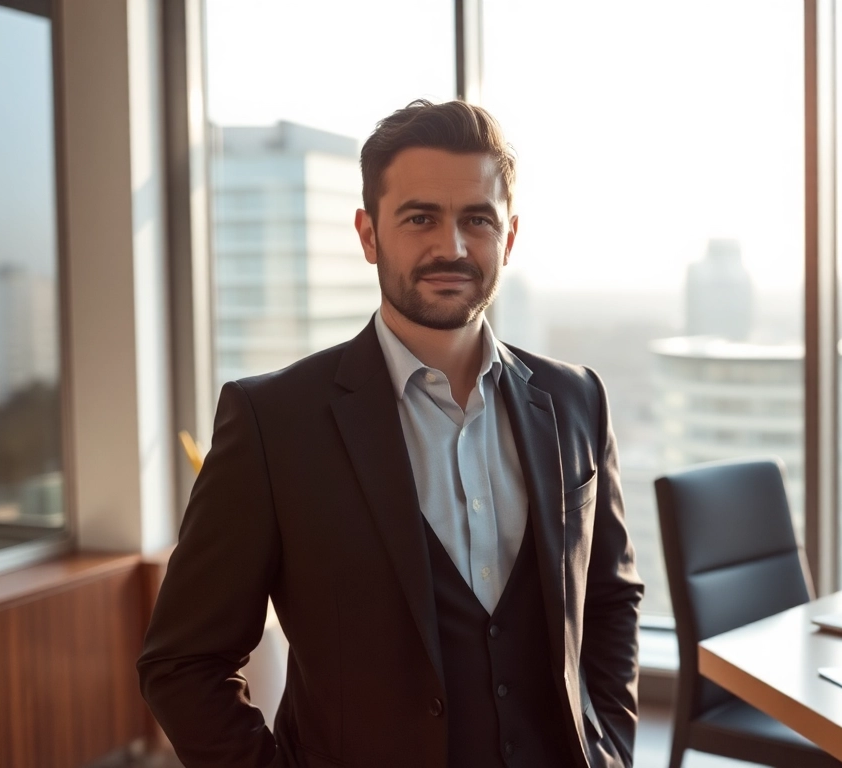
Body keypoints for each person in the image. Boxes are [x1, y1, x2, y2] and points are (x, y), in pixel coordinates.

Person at [138, 99, 643, 768]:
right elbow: (182, 661)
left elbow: (610, 600)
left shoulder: (578, 400)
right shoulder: (273, 423)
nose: (452, 247)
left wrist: (608, 748)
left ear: (510, 238)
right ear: (369, 234)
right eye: (420, 218)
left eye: (477, 220)